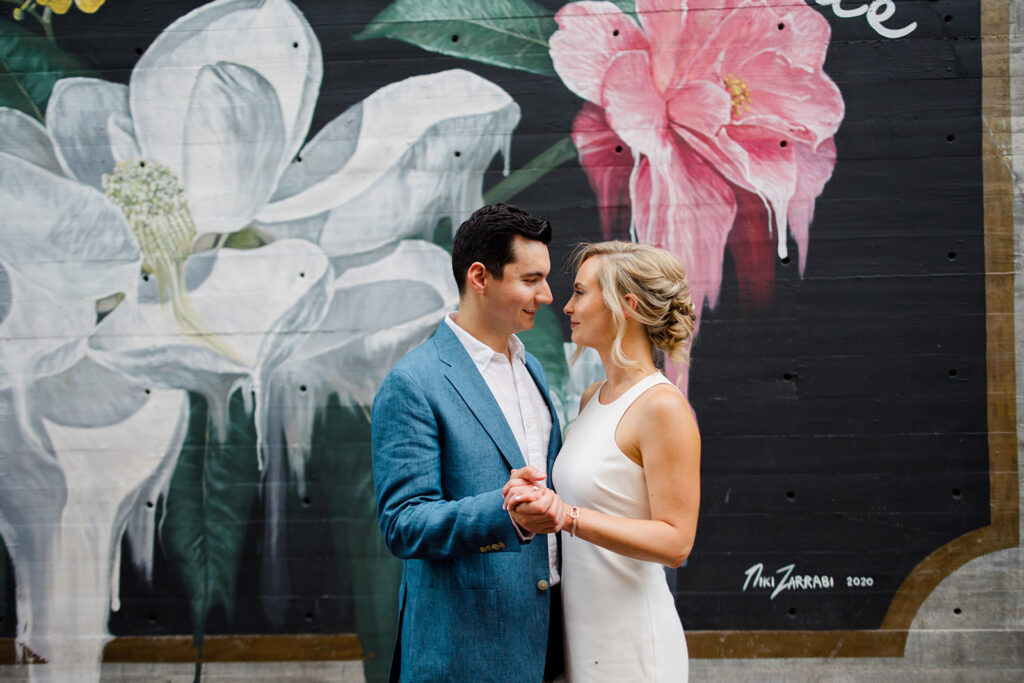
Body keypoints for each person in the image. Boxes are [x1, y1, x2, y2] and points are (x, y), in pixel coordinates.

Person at [371, 203, 566, 682]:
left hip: (549, 641)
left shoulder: (531, 367)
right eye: (531, 279)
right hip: (467, 651)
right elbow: (404, 523)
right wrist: (505, 514)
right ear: (480, 277)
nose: (547, 294)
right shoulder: (413, 382)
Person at [504, 241, 701, 682]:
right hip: (582, 638)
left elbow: (676, 543)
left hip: (633, 644)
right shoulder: (594, 397)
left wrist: (568, 517)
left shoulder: (661, 407)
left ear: (625, 305)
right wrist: (537, 497)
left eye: (580, 292)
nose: (567, 305)